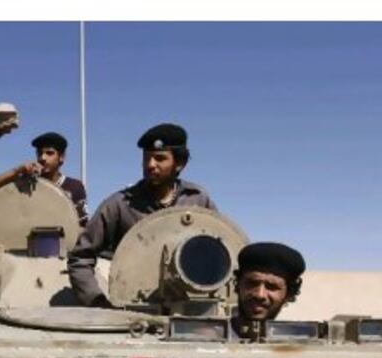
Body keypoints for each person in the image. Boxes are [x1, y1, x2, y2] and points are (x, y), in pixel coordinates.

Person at [67, 123, 217, 308]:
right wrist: (96, 301)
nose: (150, 165)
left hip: (189, 312)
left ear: (180, 164)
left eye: (160, 158)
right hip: (134, 313)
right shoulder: (120, 204)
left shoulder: (197, 201)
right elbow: (80, 257)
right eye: (146, 158)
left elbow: (218, 255)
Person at [233, 242, 306, 327]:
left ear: (288, 294)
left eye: (272, 287)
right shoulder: (214, 333)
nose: (260, 295)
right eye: (252, 284)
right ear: (238, 285)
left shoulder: (296, 338)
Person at [29, 132, 88, 226]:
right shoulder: (29, 185)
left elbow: (82, 225)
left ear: (61, 157)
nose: (43, 158)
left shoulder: (75, 187)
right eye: (40, 153)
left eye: (49, 153)